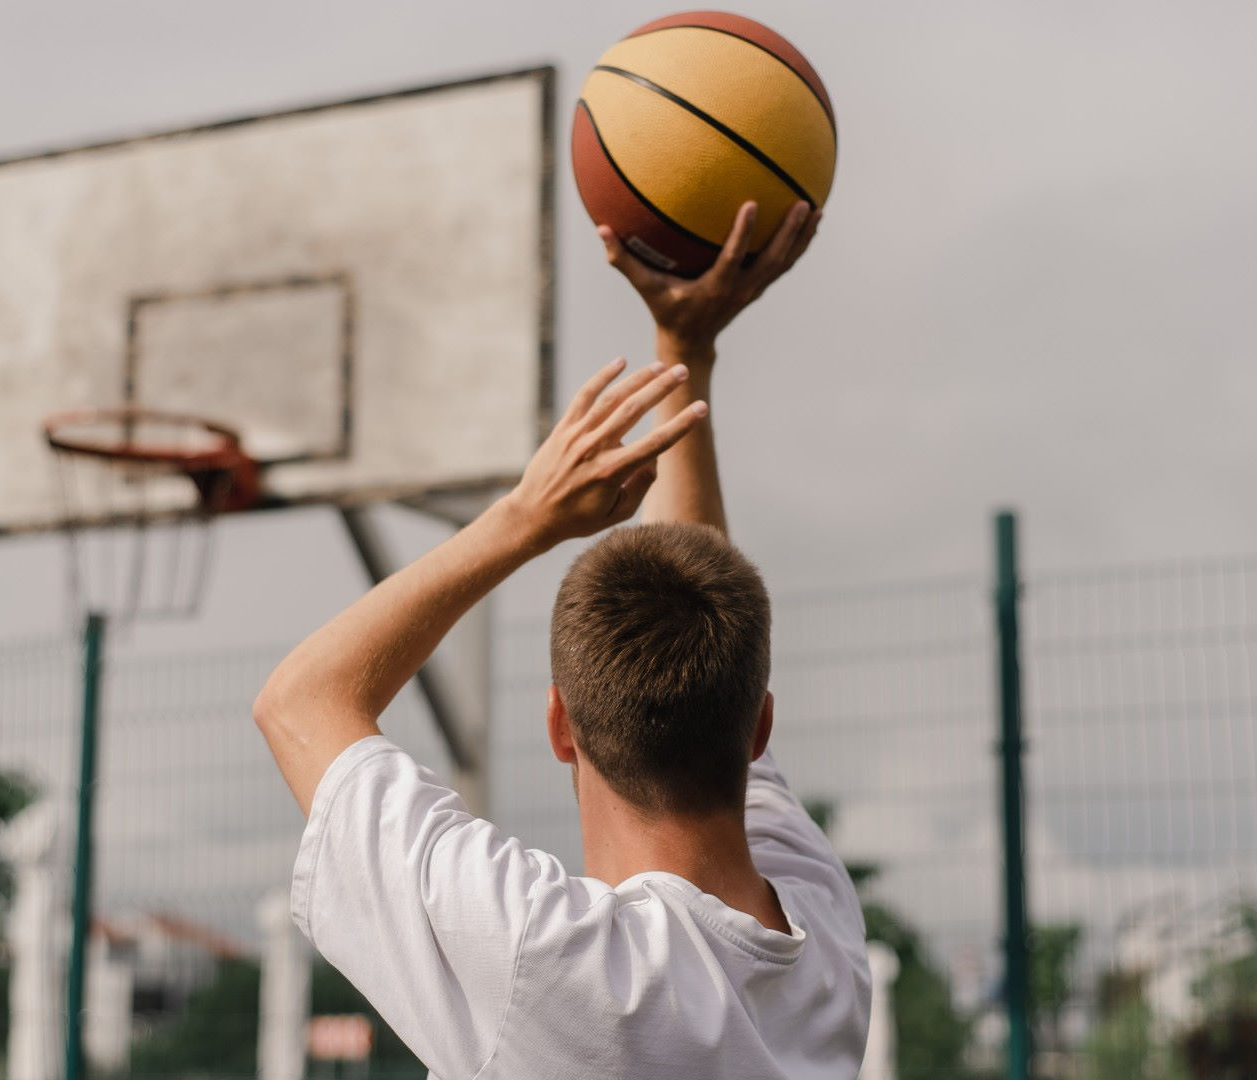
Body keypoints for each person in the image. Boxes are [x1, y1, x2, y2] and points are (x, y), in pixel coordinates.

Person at [254, 200, 869, 1079]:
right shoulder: (823, 935)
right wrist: (684, 354)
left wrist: (524, 517)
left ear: (559, 726)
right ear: (757, 726)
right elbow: (705, 609)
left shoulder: (544, 958)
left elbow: (300, 702)